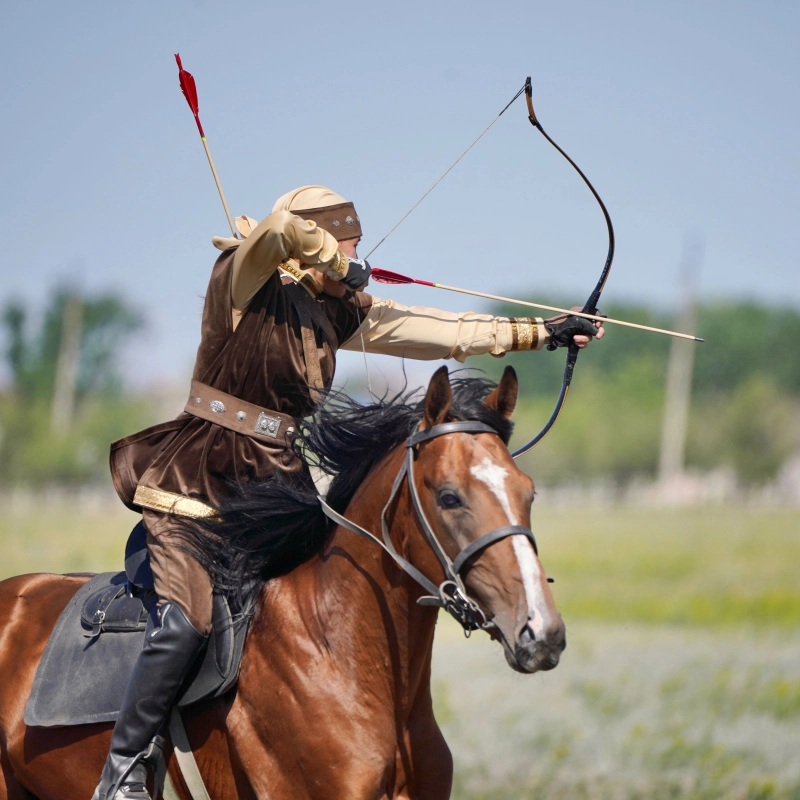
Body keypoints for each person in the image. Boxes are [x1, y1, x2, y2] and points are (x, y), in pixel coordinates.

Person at [93, 185, 604, 799]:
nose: (353, 265)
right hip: (198, 484)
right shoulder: (244, 277)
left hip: (278, 490)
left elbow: (442, 331)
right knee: (187, 618)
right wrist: (336, 259)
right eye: (344, 251)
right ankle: (125, 771)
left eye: (356, 251)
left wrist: (542, 332)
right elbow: (279, 228)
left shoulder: (337, 310)